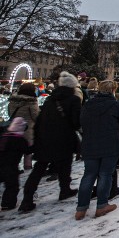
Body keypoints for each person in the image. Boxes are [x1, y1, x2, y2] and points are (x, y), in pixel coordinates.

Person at [19, 71, 81, 213]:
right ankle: (64, 189)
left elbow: (40, 119)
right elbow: (75, 122)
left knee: (39, 168)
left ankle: (27, 198)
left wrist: (38, 136)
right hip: (64, 137)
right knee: (65, 164)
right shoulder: (73, 99)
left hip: (45, 137)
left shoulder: (50, 99)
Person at [75, 80, 119, 220]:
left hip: (90, 143)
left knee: (88, 174)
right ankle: (102, 205)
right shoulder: (116, 105)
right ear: (112, 90)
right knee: (105, 174)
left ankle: (81, 208)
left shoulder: (88, 104)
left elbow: (80, 122)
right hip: (110, 143)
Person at [7, 83, 39, 170]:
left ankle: (14, 168)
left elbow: (9, 113)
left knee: (14, 150)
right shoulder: (32, 102)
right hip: (27, 129)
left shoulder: (12, 101)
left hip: (14, 128)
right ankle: (27, 167)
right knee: (27, 150)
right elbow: (36, 116)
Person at [0, 117, 29, 210]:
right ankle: (8, 204)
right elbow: (27, 151)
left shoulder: (3, 136)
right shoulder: (20, 139)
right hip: (11, 166)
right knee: (12, 186)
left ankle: (6, 203)